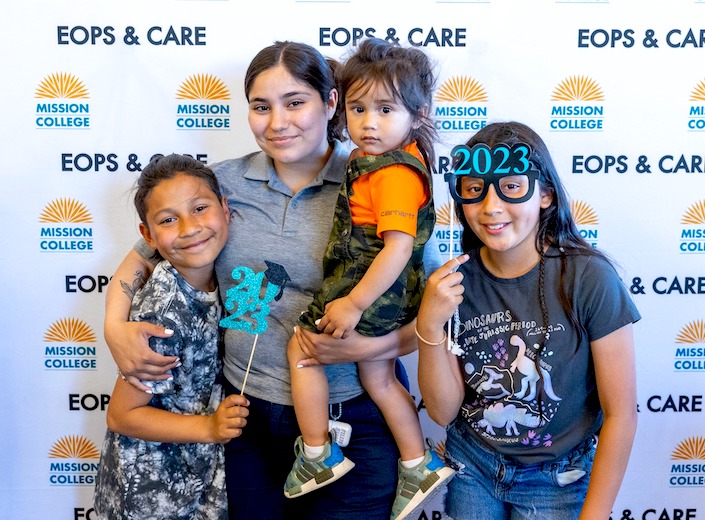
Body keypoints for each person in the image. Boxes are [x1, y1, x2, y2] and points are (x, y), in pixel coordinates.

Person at [103, 41, 419, 520]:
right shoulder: (219, 186)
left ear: (331, 103)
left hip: (354, 417)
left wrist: (363, 350)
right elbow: (140, 258)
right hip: (247, 419)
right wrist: (113, 327)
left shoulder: (379, 182)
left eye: (295, 102)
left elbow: (428, 317)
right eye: (260, 107)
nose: (277, 122)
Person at [415, 121, 639, 520]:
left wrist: (596, 514)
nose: (491, 207)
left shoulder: (588, 278)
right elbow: (443, 412)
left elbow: (620, 412)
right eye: (473, 191)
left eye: (512, 188)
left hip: (559, 477)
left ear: (546, 195)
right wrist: (429, 326)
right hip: (475, 468)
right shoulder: (453, 285)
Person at [284, 38, 453, 519]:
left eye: (385, 109)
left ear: (418, 115)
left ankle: (317, 453)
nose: (369, 122)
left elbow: (398, 246)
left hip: (369, 287)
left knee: (301, 349)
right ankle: (417, 463)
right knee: (378, 378)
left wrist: (355, 304)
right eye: (358, 109)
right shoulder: (393, 158)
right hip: (392, 294)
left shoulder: (393, 173)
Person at [93, 154, 250, 520]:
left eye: (200, 208)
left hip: (195, 479)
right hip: (151, 495)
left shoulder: (221, 277)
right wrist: (208, 427)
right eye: (168, 220)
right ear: (147, 235)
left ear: (226, 209)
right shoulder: (163, 311)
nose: (190, 228)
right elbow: (121, 415)